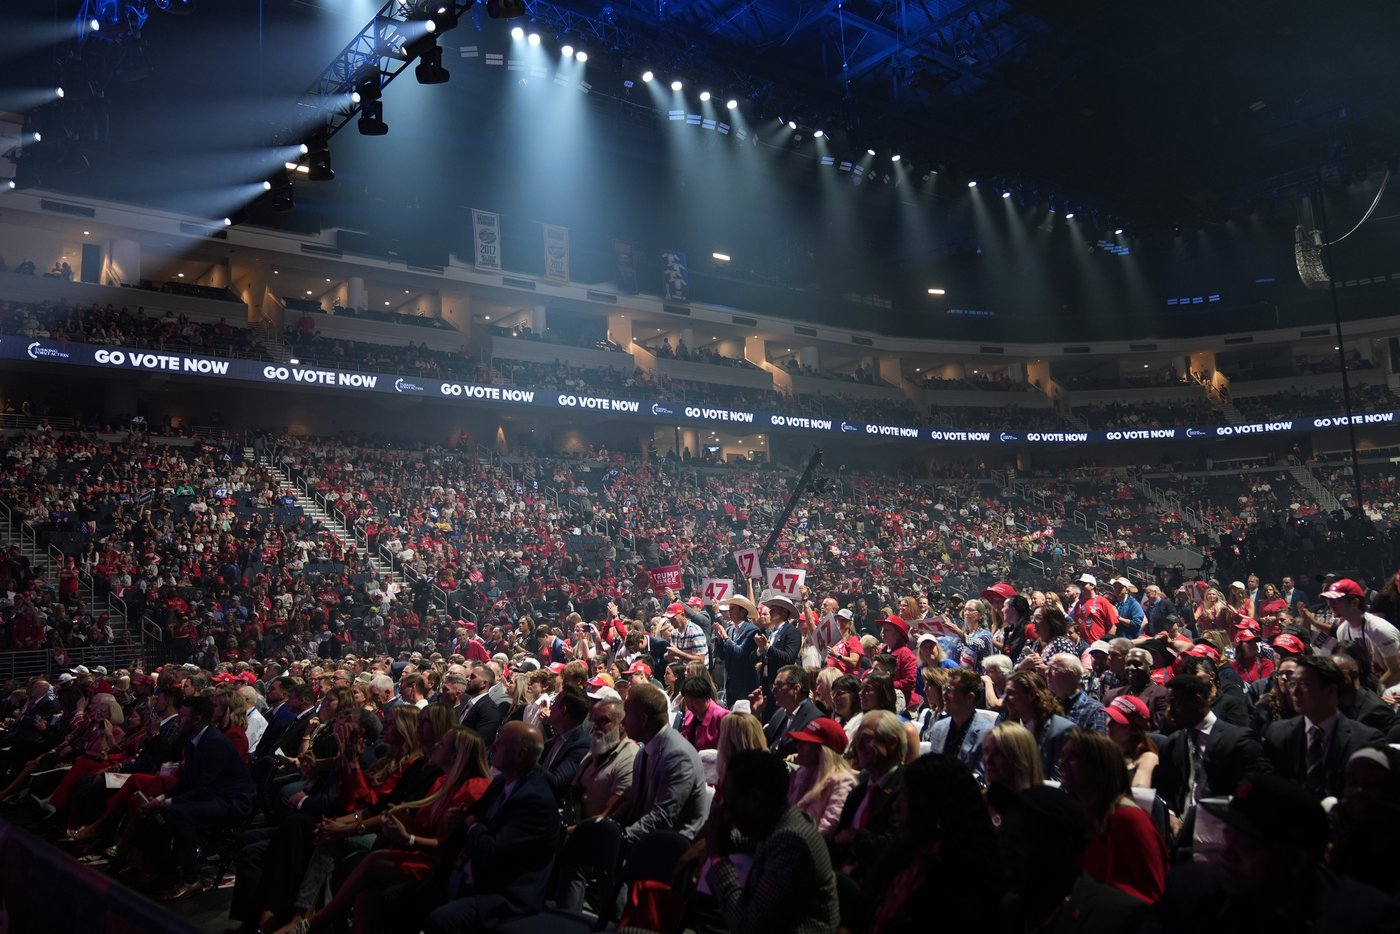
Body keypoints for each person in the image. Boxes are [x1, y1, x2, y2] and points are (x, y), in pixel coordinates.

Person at [1146, 774, 1400, 934]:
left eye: (1246, 845)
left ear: (1295, 859)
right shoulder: (1189, 889)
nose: (1227, 854)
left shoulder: (1366, 920)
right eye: (1228, 836)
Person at [420, 722, 562, 934]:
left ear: (520, 755)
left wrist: (473, 825)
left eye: (500, 743)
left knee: (440, 920)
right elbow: (467, 821)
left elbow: (489, 848)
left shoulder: (535, 801)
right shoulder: (500, 782)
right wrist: (462, 822)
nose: (493, 747)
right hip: (471, 875)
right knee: (397, 896)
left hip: (500, 896)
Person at [704, 749, 839, 934]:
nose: (727, 814)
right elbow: (750, 840)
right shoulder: (783, 820)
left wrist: (718, 858)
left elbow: (748, 928)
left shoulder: (791, 841)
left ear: (754, 798)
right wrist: (707, 843)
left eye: (730, 803)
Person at [140, 694, 256, 900]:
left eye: (183, 716)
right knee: (155, 813)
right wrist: (162, 797)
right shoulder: (194, 739)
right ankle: (166, 872)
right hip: (215, 796)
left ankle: (191, 879)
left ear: (197, 719)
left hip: (232, 802)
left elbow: (207, 789)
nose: (178, 719)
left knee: (177, 813)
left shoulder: (215, 743)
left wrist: (166, 802)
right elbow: (187, 781)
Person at [992, 783, 1149, 934]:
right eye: (1003, 836)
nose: (1005, 850)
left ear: (1059, 849)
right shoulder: (1009, 910)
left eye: (1018, 840)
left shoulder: (1115, 918)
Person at [1058, 728, 1168, 904]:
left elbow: (1151, 895)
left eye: (1073, 757)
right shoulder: (1081, 813)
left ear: (1098, 766)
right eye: (1063, 756)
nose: (1062, 763)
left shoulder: (1129, 819)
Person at [1262, 655, 1383, 798]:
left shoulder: (1364, 741)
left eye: (1305, 684)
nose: (1295, 692)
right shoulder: (1277, 734)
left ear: (1331, 690)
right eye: (1292, 684)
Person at [616, 682, 709, 845]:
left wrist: (621, 838)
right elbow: (634, 804)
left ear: (643, 719)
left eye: (627, 715)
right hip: (647, 840)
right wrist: (609, 825)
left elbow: (662, 818)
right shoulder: (643, 753)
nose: (622, 722)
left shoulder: (678, 756)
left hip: (674, 848)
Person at [829, 709, 904, 880]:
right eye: (857, 739)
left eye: (866, 738)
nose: (858, 746)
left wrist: (855, 836)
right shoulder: (858, 792)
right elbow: (837, 842)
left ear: (892, 743)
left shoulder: (905, 791)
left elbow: (895, 848)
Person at [1322, 577, 1400, 688]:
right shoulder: (1342, 631)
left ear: (1354, 603)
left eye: (1337, 601)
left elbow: (1396, 671)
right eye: (1329, 601)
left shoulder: (1379, 630)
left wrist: (1371, 693)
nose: (1330, 604)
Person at [786, 717, 856, 838]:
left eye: (805, 743)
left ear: (822, 751)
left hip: (810, 846)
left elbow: (828, 827)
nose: (798, 746)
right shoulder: (800, 773)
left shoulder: (842, 781)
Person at [923, 667, 999, 778]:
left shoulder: (987, 735)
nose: (944, 695)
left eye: (950, 691)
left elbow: (982, 777)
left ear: (970, 697)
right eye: (944, 689)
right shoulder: (938, 728)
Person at [1000, 670, 1075, 781]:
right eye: (1004, 694)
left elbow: (1060, 781)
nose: (1004, 700)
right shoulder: (1008, 727)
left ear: (1031, 695)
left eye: (1011, 694)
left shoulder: (1061, 731)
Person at [751, 665, 821, 757]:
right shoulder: (780, 713)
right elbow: (762, 742)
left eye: (779, 685)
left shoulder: (814, 720)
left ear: (796, 689)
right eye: (774, 685)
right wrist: (756, 714)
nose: (773, 690)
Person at [539, 687, 591, 800]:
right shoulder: (555, 739)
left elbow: (557, 782)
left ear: (563, 710)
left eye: (554, 703)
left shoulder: (581, 745)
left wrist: (528, 759)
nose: (550, 708)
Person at [1103, 647, 1169, 731]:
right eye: (1128, 664)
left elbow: (1159, 726)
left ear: (1151, 669)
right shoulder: (1111, 695)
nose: (1131, 668)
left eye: (1137, 664)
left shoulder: (1161, 693)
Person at [1105, 694, 1159, 787]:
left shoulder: (1147, 758)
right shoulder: (1105, 755)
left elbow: (1140, 793)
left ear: (1134, 730)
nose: (1109, 724)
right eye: (1109, 716)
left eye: (1116, 720)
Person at [1046, 652, 1108, 733]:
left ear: (1070, 675)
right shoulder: (1048, 705)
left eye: (1054, 669)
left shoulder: (1094, 711)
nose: (1047, 672)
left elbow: (1098, 740)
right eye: (1048, 667)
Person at [982, 722, 1044, 792]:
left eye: (998, 753)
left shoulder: (1041, 798)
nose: (987, 759)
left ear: (1020, 759)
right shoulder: (981, 797)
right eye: (986, 751)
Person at [679, 676, 729, 751]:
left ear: (707, 698)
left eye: (695, 703)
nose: (690, 707)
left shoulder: (723, 717)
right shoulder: (689, 714)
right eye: (687, 702)